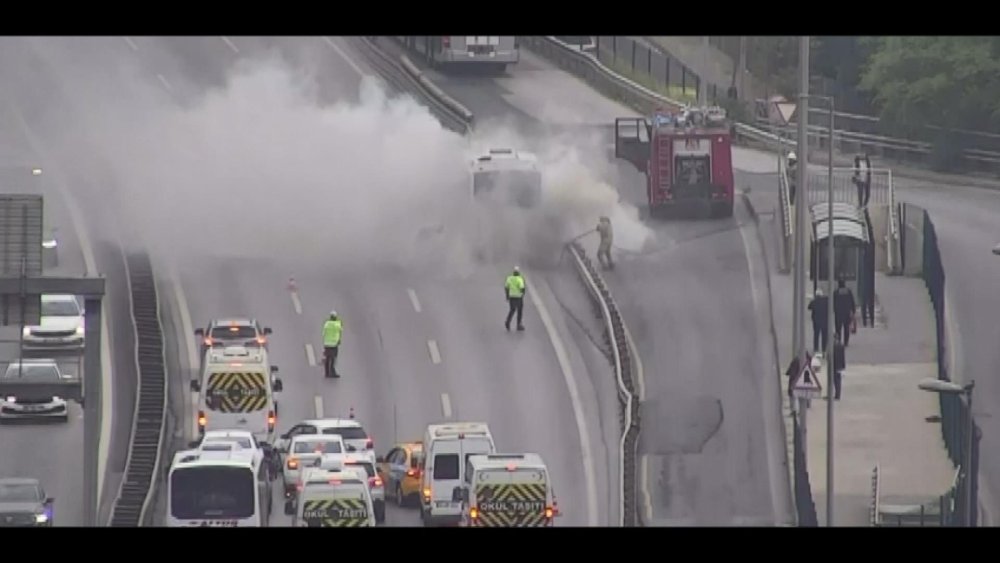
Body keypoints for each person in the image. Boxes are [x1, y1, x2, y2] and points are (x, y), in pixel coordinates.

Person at [833, 278, 856, 347]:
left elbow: (833, 302)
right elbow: (852, 302)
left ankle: (839, 341)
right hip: (847, 313)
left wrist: (834, 310)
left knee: (838, 328)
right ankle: (846, 342)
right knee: (846, 328)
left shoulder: (836, 292)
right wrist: (853, 311)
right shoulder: (848, 292)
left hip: (838, 313)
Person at [504, 266, 526, 332]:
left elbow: (506, 287)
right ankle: (519, 324)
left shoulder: (509, 278)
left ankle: (508, 321)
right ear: (518, 272)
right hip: (518, 297)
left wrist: (507, 296)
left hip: (511, 296)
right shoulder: (519, 279)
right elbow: (522, 288)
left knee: (512, 310)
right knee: (519, 311)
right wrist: (522, 294)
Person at [322, 310, 343, 378]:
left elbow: (323, 333)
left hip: (327, 343)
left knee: (327, 358)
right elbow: (340, 332)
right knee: (333, 358)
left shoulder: (327, 324)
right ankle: (332, 372)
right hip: (334, 343)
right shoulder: (338, 324)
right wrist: (339, 340)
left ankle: (327, 373)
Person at [807, 288, 829, 353]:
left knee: (816, 335)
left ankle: (816, 348)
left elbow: (809, 307)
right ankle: (824, 348)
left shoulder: (814, 301)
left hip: (816, 321)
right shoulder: (826, 301)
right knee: (824, 335)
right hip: (825, 320)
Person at [832, 332, 846, 400]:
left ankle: (837, 395)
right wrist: (843, 366)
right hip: (838, 366)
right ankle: (837, 394)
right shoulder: (841, 345)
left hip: (835, 366)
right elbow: (843, 357)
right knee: (837, 381)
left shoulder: (833, 346)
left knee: (836, 381)